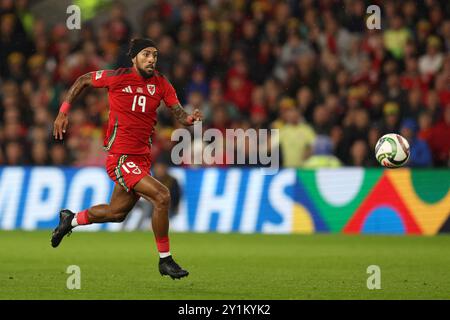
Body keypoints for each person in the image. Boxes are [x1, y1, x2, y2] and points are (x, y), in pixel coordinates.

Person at [51, 38, 202, 280]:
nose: (152, 59)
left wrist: (189, 119)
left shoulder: (161, 83)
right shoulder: (117, 77)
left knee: (116, 213)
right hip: (120, 158)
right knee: (162, 196)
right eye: (145, 54)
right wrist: (63, 112)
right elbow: (83, 80)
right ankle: (166, 260)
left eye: (154, 55)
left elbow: (179, 114)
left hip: (141, 159)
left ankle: (71, 219)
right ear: (134, 58)